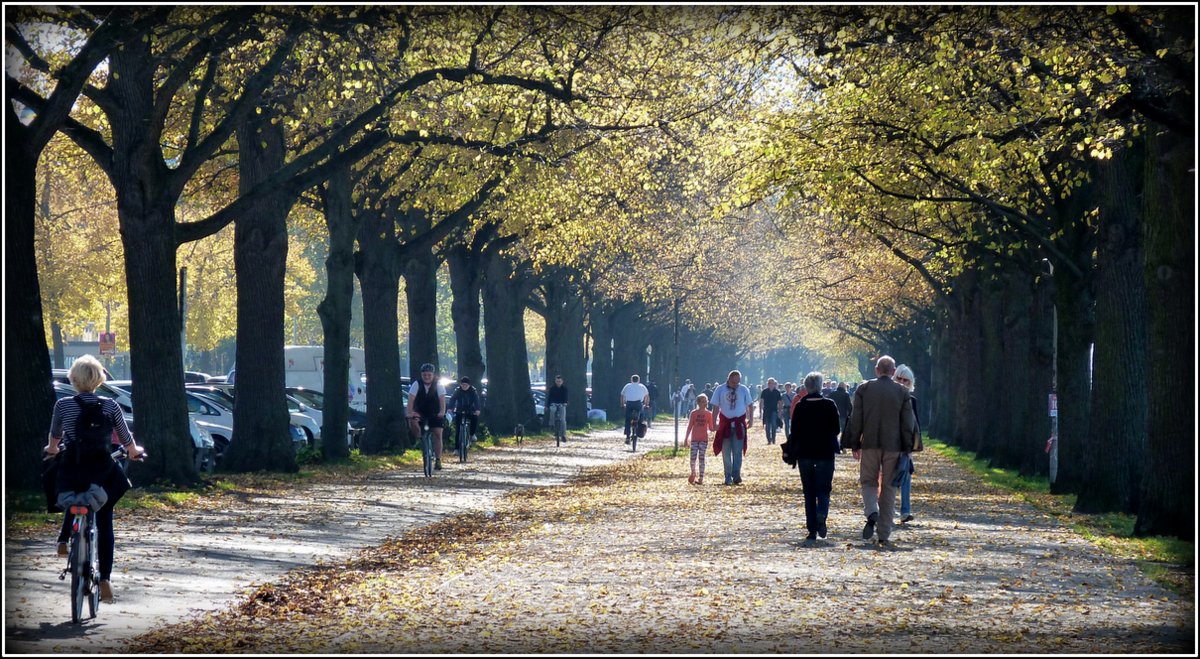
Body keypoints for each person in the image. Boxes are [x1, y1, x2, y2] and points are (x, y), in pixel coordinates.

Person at [45, 355, 145, 603]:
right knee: (105, 515)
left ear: (74, 379)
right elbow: (125, 438)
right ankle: (105, 579)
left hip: (73, 465)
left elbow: (55, 436)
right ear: (99, 380)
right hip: (101, 468)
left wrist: (52, 449)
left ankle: (63, 539)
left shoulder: (63, 405)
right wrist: (133, 452)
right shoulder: (111, 406)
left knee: (72, 493)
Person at [841, 356, 916, 547]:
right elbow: (908, 422)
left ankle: (871, 510)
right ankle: (884, 533)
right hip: (894, 446)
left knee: (868, 481)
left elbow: (856, 417)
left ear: (876, 370)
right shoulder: (902, 392)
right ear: (893, 372)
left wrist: (854, 442)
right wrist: (908, 447)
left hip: (870, 443)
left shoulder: (864, 389)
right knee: (890, 487)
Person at [785, 372, 841, 546]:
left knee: (809, 492)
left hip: (805, 454)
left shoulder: (801, 406)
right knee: (824, 489)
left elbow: (794, 431)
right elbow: (837, 428)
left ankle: (811, 530)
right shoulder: (830, 405)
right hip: (825, 453)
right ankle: (822, 513)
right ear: (821, 385)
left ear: (806, 387)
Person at [712, 370, 755, 486]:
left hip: (738, 424)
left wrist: (751, 419)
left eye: (737, 382)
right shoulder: (720, 389)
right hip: (725, 424)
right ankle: (727, 476)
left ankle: (736, 475)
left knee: (737, 452)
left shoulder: (743, 389)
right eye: (733, 382)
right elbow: (715, 407)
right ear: (728, 379)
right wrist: (714, 422)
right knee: (726, 452)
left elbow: (750, 405)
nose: (735, 384)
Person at [893, 364, 923, 524]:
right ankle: (888, 508)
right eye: (899, 379)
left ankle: (905, 511)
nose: (902, 382)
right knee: (888, 478)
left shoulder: (912, 401)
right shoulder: (889, 398)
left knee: (906, 477)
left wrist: (913, 447)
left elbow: (916, 426)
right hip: (889, 444)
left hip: (905, 446)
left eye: (906, 380)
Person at [407, 363, 447, 470]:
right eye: (425, 375)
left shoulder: (438, 384)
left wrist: (442, 412)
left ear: (433, 375)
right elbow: (411, 400)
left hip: (435, 412)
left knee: (438, 434)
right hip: (420, 412)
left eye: (429, 375)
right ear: (421, 375)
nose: (427, 377)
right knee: (413, 422)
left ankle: (438, 460)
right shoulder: (416, 384)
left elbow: (442, 400)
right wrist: (410, 413)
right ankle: (421, 439)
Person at [683, 393, 715, 485]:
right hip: (694, 439)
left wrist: (718, 426)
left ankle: (701, 478)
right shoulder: (693, 413)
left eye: (706, 401)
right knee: (692, 458)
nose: (705, 403)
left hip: (703, 439)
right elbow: (689, 426)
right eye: (702, 402)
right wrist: (686, 439)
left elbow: (711, 428)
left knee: (701, 458)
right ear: (698, 403)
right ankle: (693, 473)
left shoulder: (709, 414)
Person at [447, 376, 482, 445]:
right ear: (460, 384)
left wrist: (477, 409)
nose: (464, 386)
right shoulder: (457, 391)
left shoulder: (473, 391)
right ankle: (456, 449)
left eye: (466, 385)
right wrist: (450, 408)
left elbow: (476, 400)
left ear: (469, 385)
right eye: (463, 385)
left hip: (470, 409)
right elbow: (452, 399)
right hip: (459, 409)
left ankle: (472, 434)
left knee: (474, 418)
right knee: (458, 429)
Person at [620, 374, 649, 445]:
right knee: (641, 415)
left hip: (629, 404)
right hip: (638, 404)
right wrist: (646, 405)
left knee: (627, 419)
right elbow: (647, 396)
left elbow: (622, 396)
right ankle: (639, 429)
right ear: (638, 380)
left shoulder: (627, 386)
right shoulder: (642, 386)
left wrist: (622, 404)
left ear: (631, 380)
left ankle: (627, 436)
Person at [759, 378, 784, 446]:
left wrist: (780, 411)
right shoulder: (764, 391)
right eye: (769, 383)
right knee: (767, 427)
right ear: (768, 384)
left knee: (773, 426)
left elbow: (780, 402)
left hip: (774, 411)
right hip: (766, 411)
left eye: (772, 383)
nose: (770, 384)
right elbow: (761, 401)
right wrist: (760, 411)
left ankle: (773, 439)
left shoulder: (777, 392)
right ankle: (769, 440)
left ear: (774, 384)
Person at [546, 374, 569, 441]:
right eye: (557, 381)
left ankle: (563, 435)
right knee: (552, 411)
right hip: (554, 404)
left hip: (562, 404)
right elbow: (549, 398)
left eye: (559, 381)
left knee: (563, 420)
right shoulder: (552, 389)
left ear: (562, 381)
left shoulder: (565, 389)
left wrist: (565, 403)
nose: (558, 382)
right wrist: (547, 406)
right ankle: (552, 425)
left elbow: (566, 397)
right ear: (555, 381)